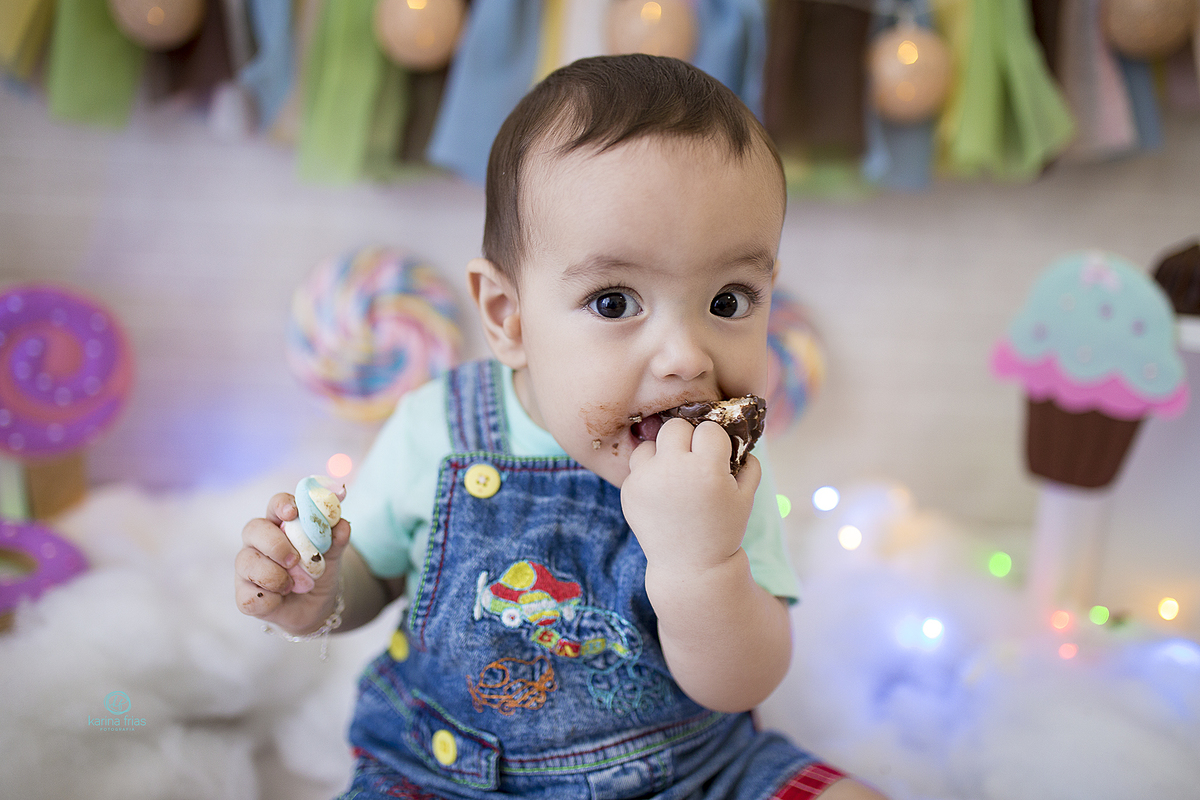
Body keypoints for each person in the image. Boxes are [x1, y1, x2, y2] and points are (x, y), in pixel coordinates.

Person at [236, 54, 886, 800]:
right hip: (449, 775)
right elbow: (375, 573)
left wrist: (699, 562)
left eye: (730, 300)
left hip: (690, 772)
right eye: (615, 302)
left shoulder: (725, 474)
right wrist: (316, 594)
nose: (685, 357)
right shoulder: (441, 426)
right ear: (508, 318)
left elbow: (739, 684)